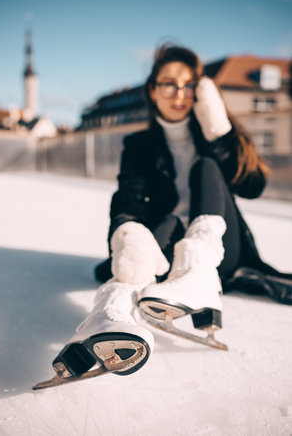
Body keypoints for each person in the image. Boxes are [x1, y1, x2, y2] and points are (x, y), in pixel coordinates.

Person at [55, 44, 292, 380]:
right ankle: (109, 315)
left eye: (188, 84)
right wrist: (128, 232)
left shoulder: (215, 134)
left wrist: (221, 134)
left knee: (206, 168)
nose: (179, 94)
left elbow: (253, 187)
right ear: (153, 90)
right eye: (169, 83)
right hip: (168, 250)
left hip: (222, 252)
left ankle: (198, 276)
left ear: (200, 90)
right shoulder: (139, 145)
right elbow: (128, 196)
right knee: (153, 230)